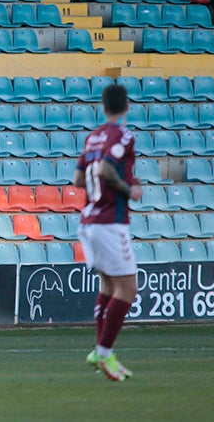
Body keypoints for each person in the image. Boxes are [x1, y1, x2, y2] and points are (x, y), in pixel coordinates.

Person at [74, 84, 141, 382]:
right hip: (109, 223)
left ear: (103, 107)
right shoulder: (123, 135)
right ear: (126, 106)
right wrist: (130, 191)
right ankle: (104, 352)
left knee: (108, 287)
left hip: (88, 220)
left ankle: (100, 352)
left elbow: (78, 178)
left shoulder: (92, 137)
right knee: (127, 290)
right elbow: (105, 170)